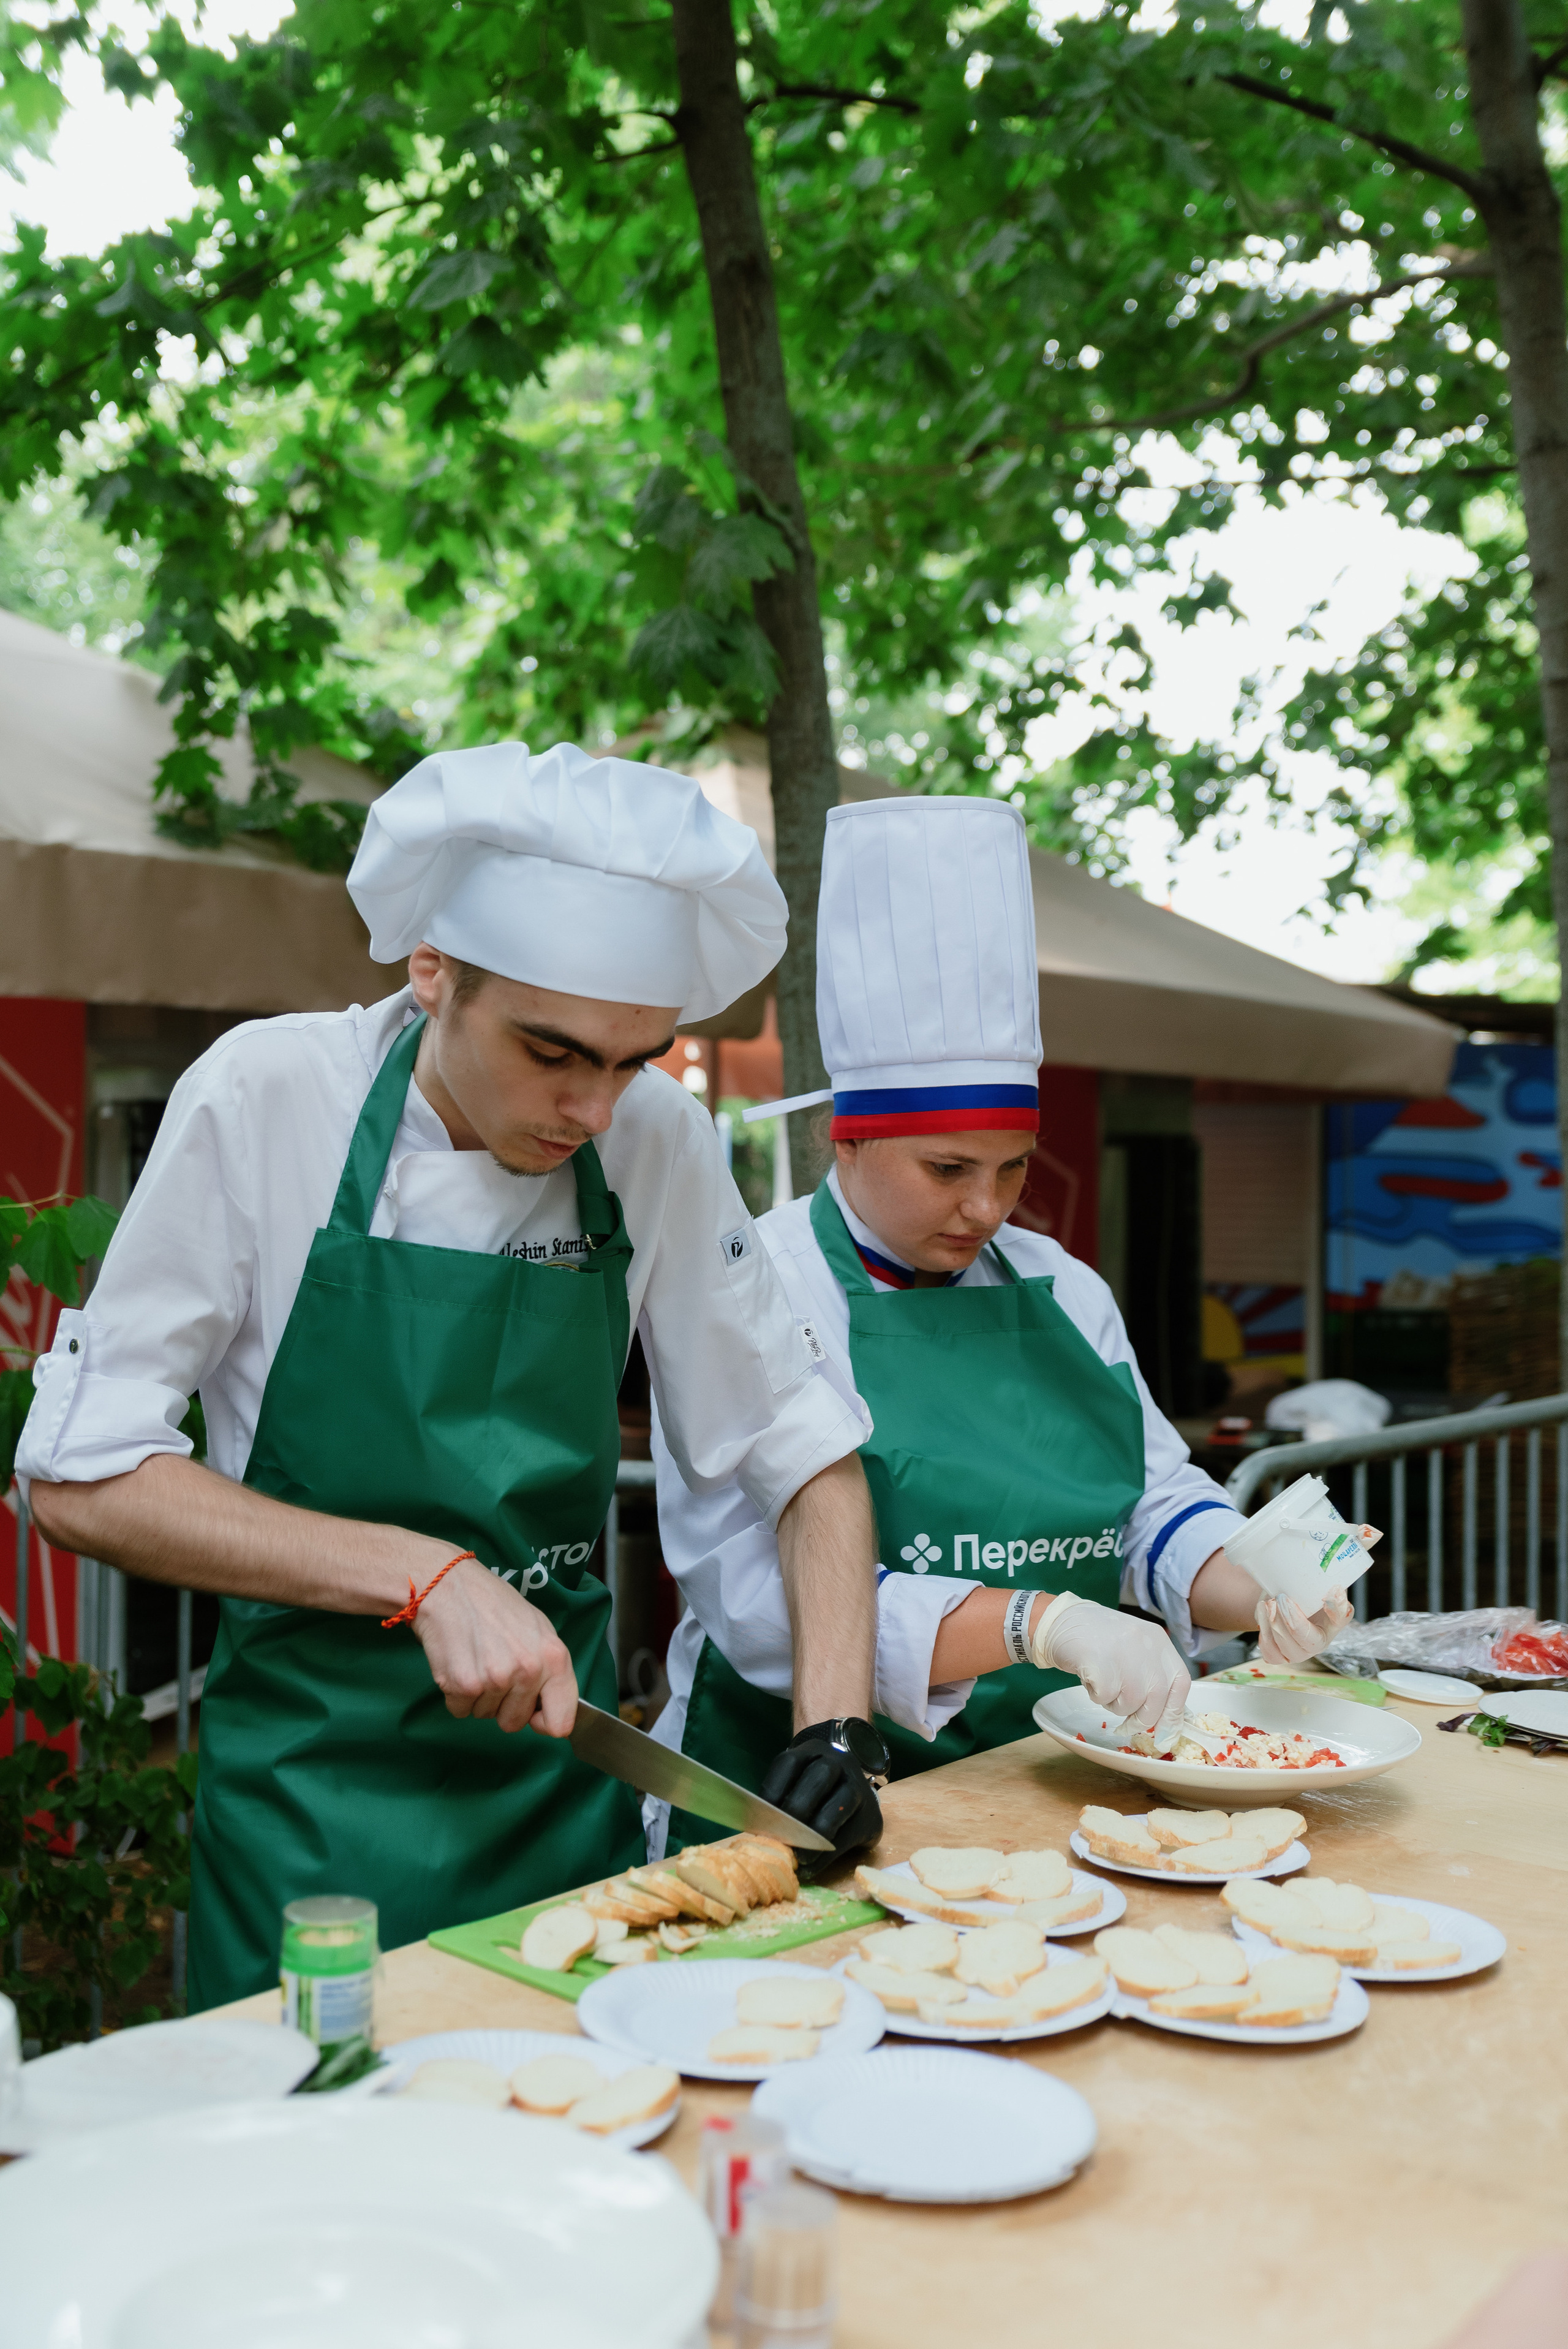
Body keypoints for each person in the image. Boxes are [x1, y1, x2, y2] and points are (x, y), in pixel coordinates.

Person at [18, 743, 883, 2009]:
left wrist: (837, 1730)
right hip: (316, 1822)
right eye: (553, 1052)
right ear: (432, 971)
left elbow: (807, 1454)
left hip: (559, 1812)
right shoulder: (271, 1099)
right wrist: (419, 1575)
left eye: (631, 1059)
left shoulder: (655, 1141)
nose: (592, 1108)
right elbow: (80, 1478)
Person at [648, 793, 1350, 1847]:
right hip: (793, 1797)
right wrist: (1041, 1622)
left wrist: (1264, 1585)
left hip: (1037, 1789)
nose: (987, 1207)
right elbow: (758, 1602)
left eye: (1013, 1167)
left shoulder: (1063, 1289)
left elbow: (1154, 1505)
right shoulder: (757, 1286)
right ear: (846, 1141)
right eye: (948, 1170)